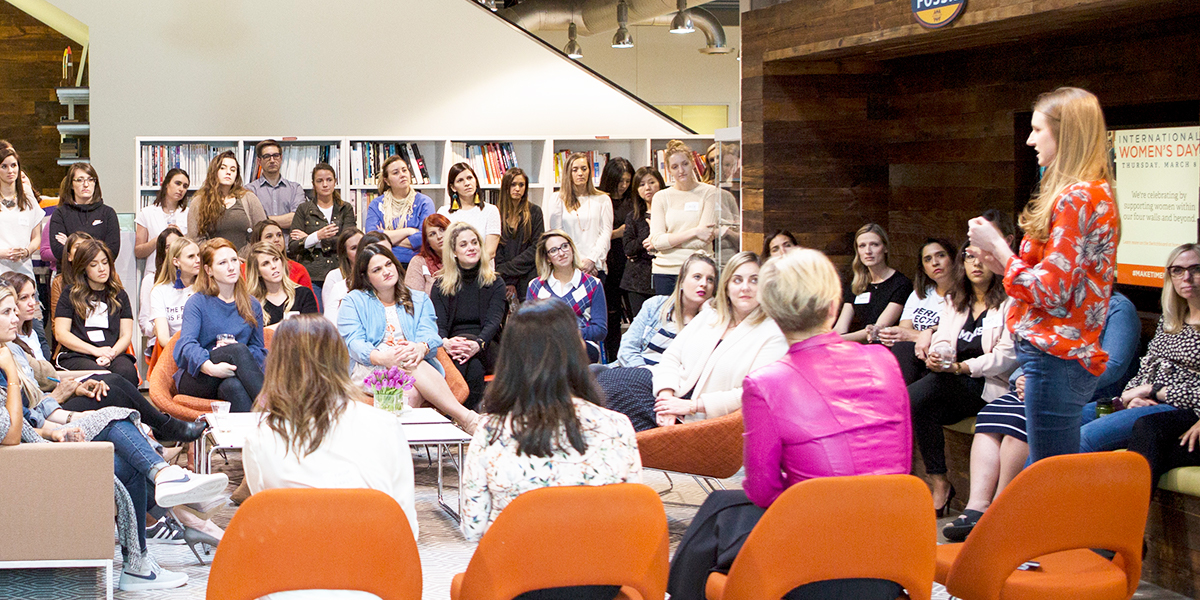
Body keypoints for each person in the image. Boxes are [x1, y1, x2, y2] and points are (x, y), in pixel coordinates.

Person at [668, 248, 910, 600]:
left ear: (774, 313)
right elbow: (898, 461)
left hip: (812, 540)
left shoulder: (767, 383)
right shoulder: (883, 360)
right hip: (890, 536)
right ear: (833, 306)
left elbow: (763, 490)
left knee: (719, 514)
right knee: (722, 510)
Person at [968, 87, 1119, 462]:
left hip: (1055, 355)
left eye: (1038, 130)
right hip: (1056, 354)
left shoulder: (1078, 197)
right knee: (1053, 470)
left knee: (1052, 472)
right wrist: (999, 263)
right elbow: (1062, 281)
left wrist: (1000, 247)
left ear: (1065, 134)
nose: (1029, 139)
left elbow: (1051, 292)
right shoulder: (1090, 192)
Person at [460, 301, 641, 584]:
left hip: (516, 581)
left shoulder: (490, 430)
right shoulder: (618, 426)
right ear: (578, 349)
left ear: (511, 358)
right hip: (602, 580)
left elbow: (473, 526)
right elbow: (632, 519)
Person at [945, 289, 1138, 542]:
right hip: (1043, 386)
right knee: (992, 414)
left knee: (1022, 421)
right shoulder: (1062, 303)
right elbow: (1034, 353)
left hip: (1086, 392)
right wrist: (1023, 377)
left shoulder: (1117, 308)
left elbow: (1112, 366)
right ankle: (977, 507)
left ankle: (1002, 510)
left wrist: (1047, 382)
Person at [244, 315, 418, 542]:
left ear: (277, 364)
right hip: (376, 567)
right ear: (340, 359)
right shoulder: (386, 425)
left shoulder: (260, 437)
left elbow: (268, 520)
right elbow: (406, 526)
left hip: (295, 567)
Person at [3, 270, 204, 443]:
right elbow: (27, 403)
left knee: (116, 379)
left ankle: (158, 437)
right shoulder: (9, 350)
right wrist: (58, 396)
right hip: (47, 409)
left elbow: (44, 377)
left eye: (33, 296)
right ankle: (162, 429)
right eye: (23, 299)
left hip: (53, 398)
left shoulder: (30, 335)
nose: (32, 303)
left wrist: (82, 382)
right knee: (113, 391)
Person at [607, 251, 788, 431]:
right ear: (726, 286)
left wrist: (691, 406)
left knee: (612, 397)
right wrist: (666, 397)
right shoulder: (711, 314)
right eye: (738, 280)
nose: (745, 287)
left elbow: (754, 391)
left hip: (703, 418)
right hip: (670, 395)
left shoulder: (772, 333)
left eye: (754, 280)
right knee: (602, 382)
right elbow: (672, 356)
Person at [909, 243, 1017, 516]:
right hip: (953, 381)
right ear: (962, 264)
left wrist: (961, 367)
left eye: (982, 259)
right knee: (923, 407)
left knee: (915, 396)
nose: (976, 264)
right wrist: (938, 355)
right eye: (969, 258)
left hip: (989, 385)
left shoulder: (1010, 302)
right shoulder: (955, 300)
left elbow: (1006, 357)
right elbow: (943, 338)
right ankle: (940, 482)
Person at [337, 242, 480, 432]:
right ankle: (466, 418)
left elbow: (430, 333)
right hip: (370, 367)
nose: (386, 271)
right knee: (408, 365)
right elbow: (353, 342)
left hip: (413, 364)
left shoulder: (418, 299)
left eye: (389, 264)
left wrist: (421, 347)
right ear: (366, 277)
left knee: (410, 386)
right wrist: (383, 357)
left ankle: (403, 449)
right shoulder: (353, 301)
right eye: (377, 269)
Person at [1074, 246, 1200, 454]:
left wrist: (1156, 392)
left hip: (1180, 409)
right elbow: (1148, 366)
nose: (1186, 277)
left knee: (1082, 439)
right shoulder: (1171, 320)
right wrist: (1133, 397)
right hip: (1145, 401)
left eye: (1195, 269)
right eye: (1177, 270)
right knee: (1055, 427)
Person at [174, 238, 267, 413]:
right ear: (208, 270)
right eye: (223, 263)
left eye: (234, 260)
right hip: (200, 375)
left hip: (236, 374)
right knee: (237, 350)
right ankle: (274, 412)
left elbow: (258, 349)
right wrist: (210, 367)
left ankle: (248, 439)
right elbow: (186, 345)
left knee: (233, 387)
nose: (231, 267)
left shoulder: (252, 304)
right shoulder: (197, 302)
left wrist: (241, 355)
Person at [430, 223, 506, 411]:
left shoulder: (495, 281)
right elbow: (438, 323)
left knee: (469, 363)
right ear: (454, 252)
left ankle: (455, 417)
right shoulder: (440, 285)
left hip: (487, 344)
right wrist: (446, 342)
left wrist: (477, 343)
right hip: (451, 347)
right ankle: (470, 417)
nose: (471, 247)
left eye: (474, 242)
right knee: (471, 366)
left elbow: (494, 322)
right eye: (464, 244)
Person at [53, 240, 139, 385]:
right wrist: (95, 351)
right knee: (99, 375)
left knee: (127, 371)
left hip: (113, 353)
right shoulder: (70, 293)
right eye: (94, 265)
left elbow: (126, 335)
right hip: (78, 354)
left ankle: (126, 408)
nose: (101, 269)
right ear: (83, 268)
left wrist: (110, 354)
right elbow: (61, 333)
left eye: (105, 263)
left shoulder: (119, 295)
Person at [878, 238, 957, 384]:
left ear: (953, 259)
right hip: (914, 355)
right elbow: (904, 330)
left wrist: (918, 336)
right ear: (923, 268)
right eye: (928, 259)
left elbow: (956, 336)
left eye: (941, 255)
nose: (935, 263)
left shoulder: (964, 295)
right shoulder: (920, 294)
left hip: (942, 356)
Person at [525, 230, 607, 363]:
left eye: (564, 246)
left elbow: (600, 329)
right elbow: (528, 326)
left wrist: (570, 335)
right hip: (545, 347)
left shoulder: (593, 284)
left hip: (582, 345)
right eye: (554, 250)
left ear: (572, 249)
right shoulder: (536, 286)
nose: (561, 253)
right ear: (547, 258)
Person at [649, 140, 717, 294]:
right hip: (665, 271)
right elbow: (657, 241)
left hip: (699, 270)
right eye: (674, 167)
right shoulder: (661, 197)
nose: (681, 170)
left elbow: (703, 239)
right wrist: (694, 232)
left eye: (684, 164)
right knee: (667, 317)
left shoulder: (710, 193)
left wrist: (670, 242)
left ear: (693, 163)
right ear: (669, 170)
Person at [288, 163, 356, 303]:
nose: (325, 184)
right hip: (313, 274)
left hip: (341, 271)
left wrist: (309, 239)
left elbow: (349, 242)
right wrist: (317, 236)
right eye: (320, 181)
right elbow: (293, 246)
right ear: (313, 184)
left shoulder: (345, 208)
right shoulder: (304, 209)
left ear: (335, 182)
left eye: (329, 180)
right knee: (317, 318)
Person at [834, 223, 912, 343]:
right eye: (862, 246)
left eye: (874, 245)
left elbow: (878, 328)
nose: (868, 251)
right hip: (859, 347)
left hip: (885, 347)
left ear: (885, 248)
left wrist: (834, 340)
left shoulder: (901, 283)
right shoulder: (856, 284)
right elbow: (840, 327)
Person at [544, 152, 613, 278]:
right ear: (568, 173)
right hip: (568, 267)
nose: (580, 173)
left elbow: (606, 233)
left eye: (584, 169)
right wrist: (577, 263)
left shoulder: (603, 199)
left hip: (596, 267)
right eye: (574, 170)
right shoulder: (557, 199)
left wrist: (591, 260)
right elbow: (557, 235)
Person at [187, 150, 267, 252]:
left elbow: (262, 233)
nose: (228, 172)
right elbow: (195, 240)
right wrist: (220, 258)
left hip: (246, 262)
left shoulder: (249, 198)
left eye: (233, 170)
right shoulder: (199, 201)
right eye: (222, 168)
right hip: (213, 262)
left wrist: (239, 258)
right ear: (214, 171)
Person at [363, 155, 435, 265]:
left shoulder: (424, 202)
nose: (402, 175)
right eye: (395, 173)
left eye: (404, 170)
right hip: (385, 263)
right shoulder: (376, 204)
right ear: (387, 181)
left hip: (417, 263)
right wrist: (408, 231)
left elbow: (424, 238)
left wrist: (386, 237)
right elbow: (372, 237)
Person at [597, 157, 636, 361]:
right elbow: (594, 234)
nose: (623, 186)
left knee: (634, 312)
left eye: (628, 181)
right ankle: (611, 358)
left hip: (630, 262)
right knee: (610, 314)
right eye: (619, 181)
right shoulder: (601, 200)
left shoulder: (632, 201)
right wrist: (617, 233)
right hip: (608, 261)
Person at [48, 162, 121, 264]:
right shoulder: (60, 214)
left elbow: (112, 251)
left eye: (90, 179)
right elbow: (58, 251)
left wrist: (72, 245)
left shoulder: (108, 213)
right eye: (80, 180)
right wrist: (96, 247)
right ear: (71, 184)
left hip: (99, 275)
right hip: (70, 275)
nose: (86, 184)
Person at [495, 167, 544, 304]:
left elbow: (536, 248)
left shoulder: (535, 212)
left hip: (528, 275)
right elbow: (496, 249)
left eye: (521, 185)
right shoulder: (495, 213)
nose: (517, 188)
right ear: (506, 187)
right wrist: (508, 281)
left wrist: (505, 271)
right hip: (503, 279)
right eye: (513, 184)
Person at [620, 167, 664, 316]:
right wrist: (649, 236)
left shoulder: (671, 214)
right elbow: (628, 248)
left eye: (652, 182)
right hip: (636, 281)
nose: (647, 188)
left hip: (664, 276)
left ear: (660, 184)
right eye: (641, 184)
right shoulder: (633, 216)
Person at [246, 242, 320, 328]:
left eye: (276, 259)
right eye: (266, 263)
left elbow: (313, 332)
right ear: (257, 272)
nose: (273, 266)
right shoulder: (252, 303)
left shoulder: (303, 294)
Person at [438, 163, 501, 258]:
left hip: (482, 269)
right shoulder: (444, 212)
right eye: (460, 180)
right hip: (453, 269)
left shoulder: (490, 211)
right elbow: (442, 249)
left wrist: (469, 267)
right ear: (453, 187)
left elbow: (490, 252)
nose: (467, 183)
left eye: (470, 178)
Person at [0, 147, 45, 279]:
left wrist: (26, 251)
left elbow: (37, 237)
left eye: (14, 165)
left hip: (24, 269)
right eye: (4, 166)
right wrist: (2, 254)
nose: (10, 171)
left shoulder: (27, 195)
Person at [134, 167, 190, 272]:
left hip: (182, 273)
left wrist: (180, 238)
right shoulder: (147, 213)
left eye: (185, 186)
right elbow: (138, 252)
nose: (181, 189)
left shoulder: (189, 214)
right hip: (154, 272)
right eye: (177, 183)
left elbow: (194, 248)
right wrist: (159, 239)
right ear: (167, 184)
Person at [146, 236, 199, 347]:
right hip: (177, 348)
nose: (198, 260)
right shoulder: (159, 291)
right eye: (191, 257)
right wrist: (188, 349)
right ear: (176, 261)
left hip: (204, 346)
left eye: (198, 255)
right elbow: (163, 339)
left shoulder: (206, 287)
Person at [246, 140, 306, 232]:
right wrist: (284, 219)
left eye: (275, 155)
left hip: (289, 245)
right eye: (267, 156)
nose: (272, 160)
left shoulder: (295, 189)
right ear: (259, 161)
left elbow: (297, 219)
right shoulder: (249, 190)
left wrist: (264, 219)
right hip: (262, 245)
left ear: (281, 158)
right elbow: (251, 223)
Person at [136, 226, 183, 342]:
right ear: (162, 251)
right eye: (168, 247)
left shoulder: (194, 280)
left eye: (177, 245)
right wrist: (157, 328)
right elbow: (144, 323)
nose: (173, 250)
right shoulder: (151, 280)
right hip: (160, 343)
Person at [251, 219, 313, 290]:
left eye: (279, 235)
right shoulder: (244, 270)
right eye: (269, 236)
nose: (276, 239)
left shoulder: (298, 270)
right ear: (258, 242)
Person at [322, 227, 363, 322]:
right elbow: (330, 318)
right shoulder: (334, 277)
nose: (360, 250)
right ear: (345, 254)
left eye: (362, 245)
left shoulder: (374, 274)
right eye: (354, 248)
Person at [405, 214, 451, 295]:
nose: (439, 236)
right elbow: (414, 299)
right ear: (428, 242)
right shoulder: (419, 262)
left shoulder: (462, 257)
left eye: (442, 230)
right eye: (432, 234)